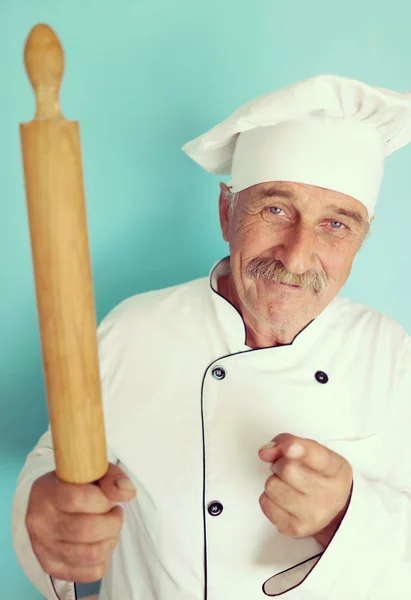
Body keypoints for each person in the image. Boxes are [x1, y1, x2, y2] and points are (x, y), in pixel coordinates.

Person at [12, 74, 411, 600]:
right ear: (227, 212)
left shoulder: (391, 352)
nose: (295, 256)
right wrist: (43, 511)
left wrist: (343, 516)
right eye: (275, 210)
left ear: (362, 237)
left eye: (336, 224)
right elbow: (55, 462)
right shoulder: (133, 327)